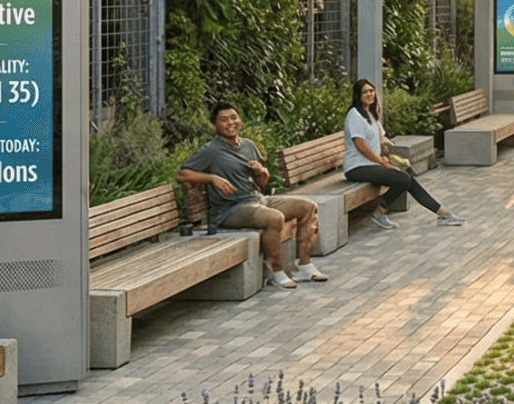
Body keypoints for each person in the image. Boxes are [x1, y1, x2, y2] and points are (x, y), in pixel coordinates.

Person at [178, 104, 327, 291]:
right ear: (215, 126)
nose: (230, 123)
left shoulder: (248, 145)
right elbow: (182, 174)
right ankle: (275, 272)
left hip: (258, 200)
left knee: (307, 207)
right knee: (274, 218)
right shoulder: (211, 150)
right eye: (224, 120)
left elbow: (262, 183)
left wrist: (260, 171)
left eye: (234, 117)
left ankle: (304, 266)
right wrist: (212, 178)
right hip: (229, 210)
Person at [343, 79, 464, 229]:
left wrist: (386, 155)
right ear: (357, 95)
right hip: (356, 168)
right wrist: (382, 162)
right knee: (403, 179)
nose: (369, 94)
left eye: (371, 91)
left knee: (407, 180)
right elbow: (361, 146)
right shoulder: (354, 115)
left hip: (370, 164)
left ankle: (445, 214)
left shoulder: (370, 114)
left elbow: (381, 139)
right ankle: (379, 213)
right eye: (365, 92)